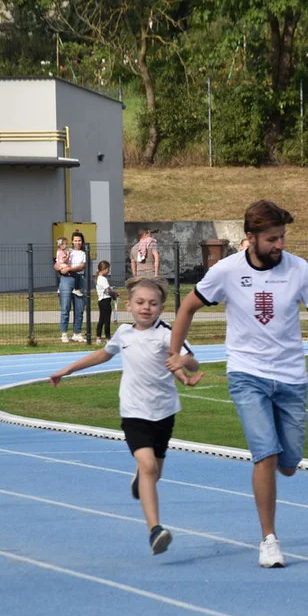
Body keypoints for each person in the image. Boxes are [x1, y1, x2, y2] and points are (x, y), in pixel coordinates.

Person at [166, 200, 308, 568]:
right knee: (266, 454)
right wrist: (175, 355)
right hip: (246, 374)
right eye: (272, 238)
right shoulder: (225, 271)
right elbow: (187, 307)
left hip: (291, 377)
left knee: (287, 464)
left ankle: (275, 474)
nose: (280, 245)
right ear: (251, 237)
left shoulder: (299, 269)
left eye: (283, 237)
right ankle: (269, 540)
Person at [49, 277, 203, 555]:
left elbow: (191, 360)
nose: (146, 308)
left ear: (161, 307)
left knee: (155, 472)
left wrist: (184, 367)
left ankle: (141, 480)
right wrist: (68, 369)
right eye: (141, 303)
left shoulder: (168, 333)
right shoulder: (123, 334)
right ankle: (155, 530)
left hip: (164, 411)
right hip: (133, 411)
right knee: (147, 467)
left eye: (153, 304)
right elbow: (101, 355)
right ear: (130, 305)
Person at [59, 231, 88, 343]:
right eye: (75, 240)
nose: (77, 242)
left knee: (79, 308)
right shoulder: (67, 251)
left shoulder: (83, 253)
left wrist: (69, 269)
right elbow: (58, 263)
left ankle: (77, 333)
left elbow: (82, 266)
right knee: (65, 307)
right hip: (67, 279)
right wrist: (60, 268)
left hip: (79, 279)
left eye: (79, 241)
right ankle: (64, 333)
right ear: (72, 241)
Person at [95, 260, 117, 344]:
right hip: (105, 301)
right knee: (106, 320)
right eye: (108, 269)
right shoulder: (103, 279)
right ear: (104, 269)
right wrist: (114, 294)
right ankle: (108, 337)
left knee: (101, 319)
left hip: (101, 301)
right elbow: (108, 290)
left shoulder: (99, 278)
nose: (108, 271)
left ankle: (99, 337)